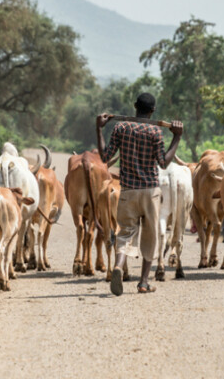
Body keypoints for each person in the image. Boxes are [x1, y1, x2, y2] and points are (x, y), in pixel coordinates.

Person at [96, 93, 183, 295]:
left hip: (127, 190)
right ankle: (143, 282)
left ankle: (118, 266)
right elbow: (163, 162)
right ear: (152, 111)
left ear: (135, 106)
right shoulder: (155, 132)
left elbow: (105, 156)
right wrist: (177, 137)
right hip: (150, 191)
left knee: (125, 233)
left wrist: (99, 129)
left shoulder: (121, 128)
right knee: (150, 236)